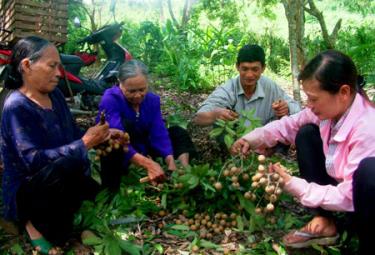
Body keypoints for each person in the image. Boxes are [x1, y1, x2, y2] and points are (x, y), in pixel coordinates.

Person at [231, 50, 375, 254]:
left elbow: (350, 196)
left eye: (313, 99)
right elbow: (289, 124)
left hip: (362, 201)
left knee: (370, 172)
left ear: (343, 92)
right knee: (306, 133)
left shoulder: (368, 128)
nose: (309, 105)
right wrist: (252, 138)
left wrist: (296, 186)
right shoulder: (331, 111)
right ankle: (324, 220)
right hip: (345, 189)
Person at [0, 36, 119, 254]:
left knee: (114, 147)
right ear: (27, 66)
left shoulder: (54, 95)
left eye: (59, 66)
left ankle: (75, 212)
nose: (59, 73)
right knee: (64, 168)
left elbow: (72, 135)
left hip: (62, 174)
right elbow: (32, 161)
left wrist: (102, 136)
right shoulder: (16, 106)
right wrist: (84, 143)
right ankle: (30, 223)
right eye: (52, 66)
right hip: (32, 187)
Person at [97, 59, 196, 190]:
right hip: (124, 152)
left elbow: (158, 131)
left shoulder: (152, 100)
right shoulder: (110, 99)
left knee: (177, 132)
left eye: (142, 89)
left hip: (145, 146)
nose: (138, 95)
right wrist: (147, 164)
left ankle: (180, 170)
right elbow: (117, 139)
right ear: (120, 84)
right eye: (131, 91)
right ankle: (118, 182)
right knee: (122, 132)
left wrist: (169, 158)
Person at [193, 44, 301, 126]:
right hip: (236, 142)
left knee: (284, 122)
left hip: (264, 140)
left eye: (255, 69)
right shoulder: (228, 89)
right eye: (245, 69)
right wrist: (214, 115)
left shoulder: (269, 86)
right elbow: (198, 118)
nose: (249, 75)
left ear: (263, 68)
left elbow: (298, 110)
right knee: (220, 126)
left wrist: (286, 108)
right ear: (237, 67)